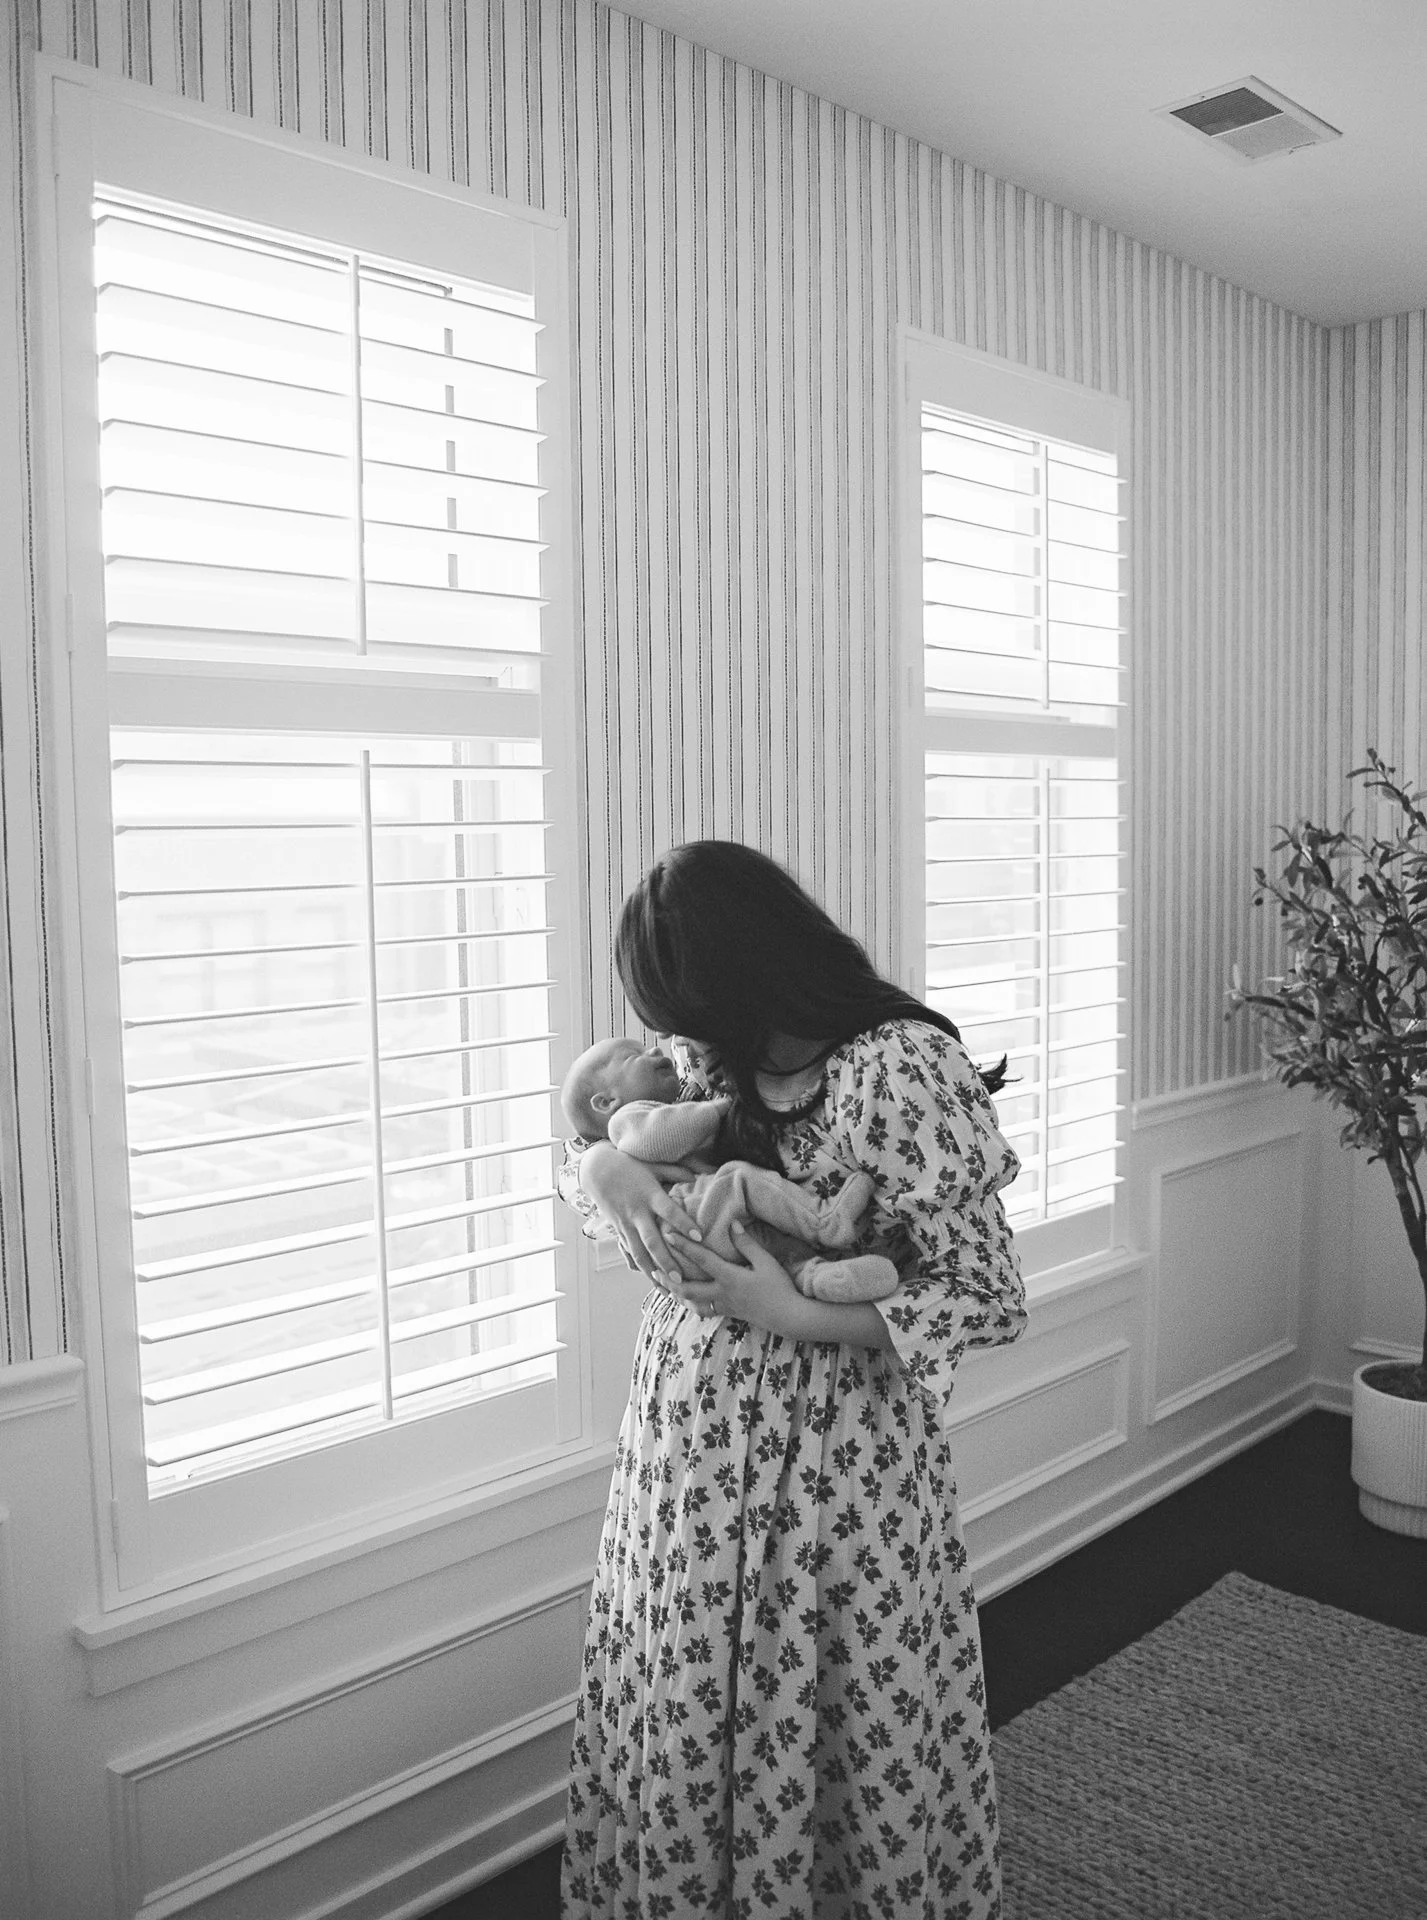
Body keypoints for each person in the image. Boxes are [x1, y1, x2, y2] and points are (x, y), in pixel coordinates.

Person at [559, 840, 1026, 1920]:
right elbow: (610, 1153)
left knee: (838, 1695)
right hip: (687, 1449)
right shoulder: (710, 1058)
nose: (674, 1043)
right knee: (686, 1683)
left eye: (684, 1013)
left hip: (839, 1458)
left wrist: (790, 1312)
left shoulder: (899, 1066)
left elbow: (985, 1293)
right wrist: (602, 1164)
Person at [560, 1034, 899, 1303]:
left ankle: (815, 1277)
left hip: (704, 1229)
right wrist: (719, 1108)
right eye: (632, 1056)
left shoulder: (877, 1058)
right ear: (606, 1102)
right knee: (741, 1179)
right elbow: (659, 1138)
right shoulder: (627, 1119)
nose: (655, 1047)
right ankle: (824, 1221)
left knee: (771, 1248)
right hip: (691, 1218)